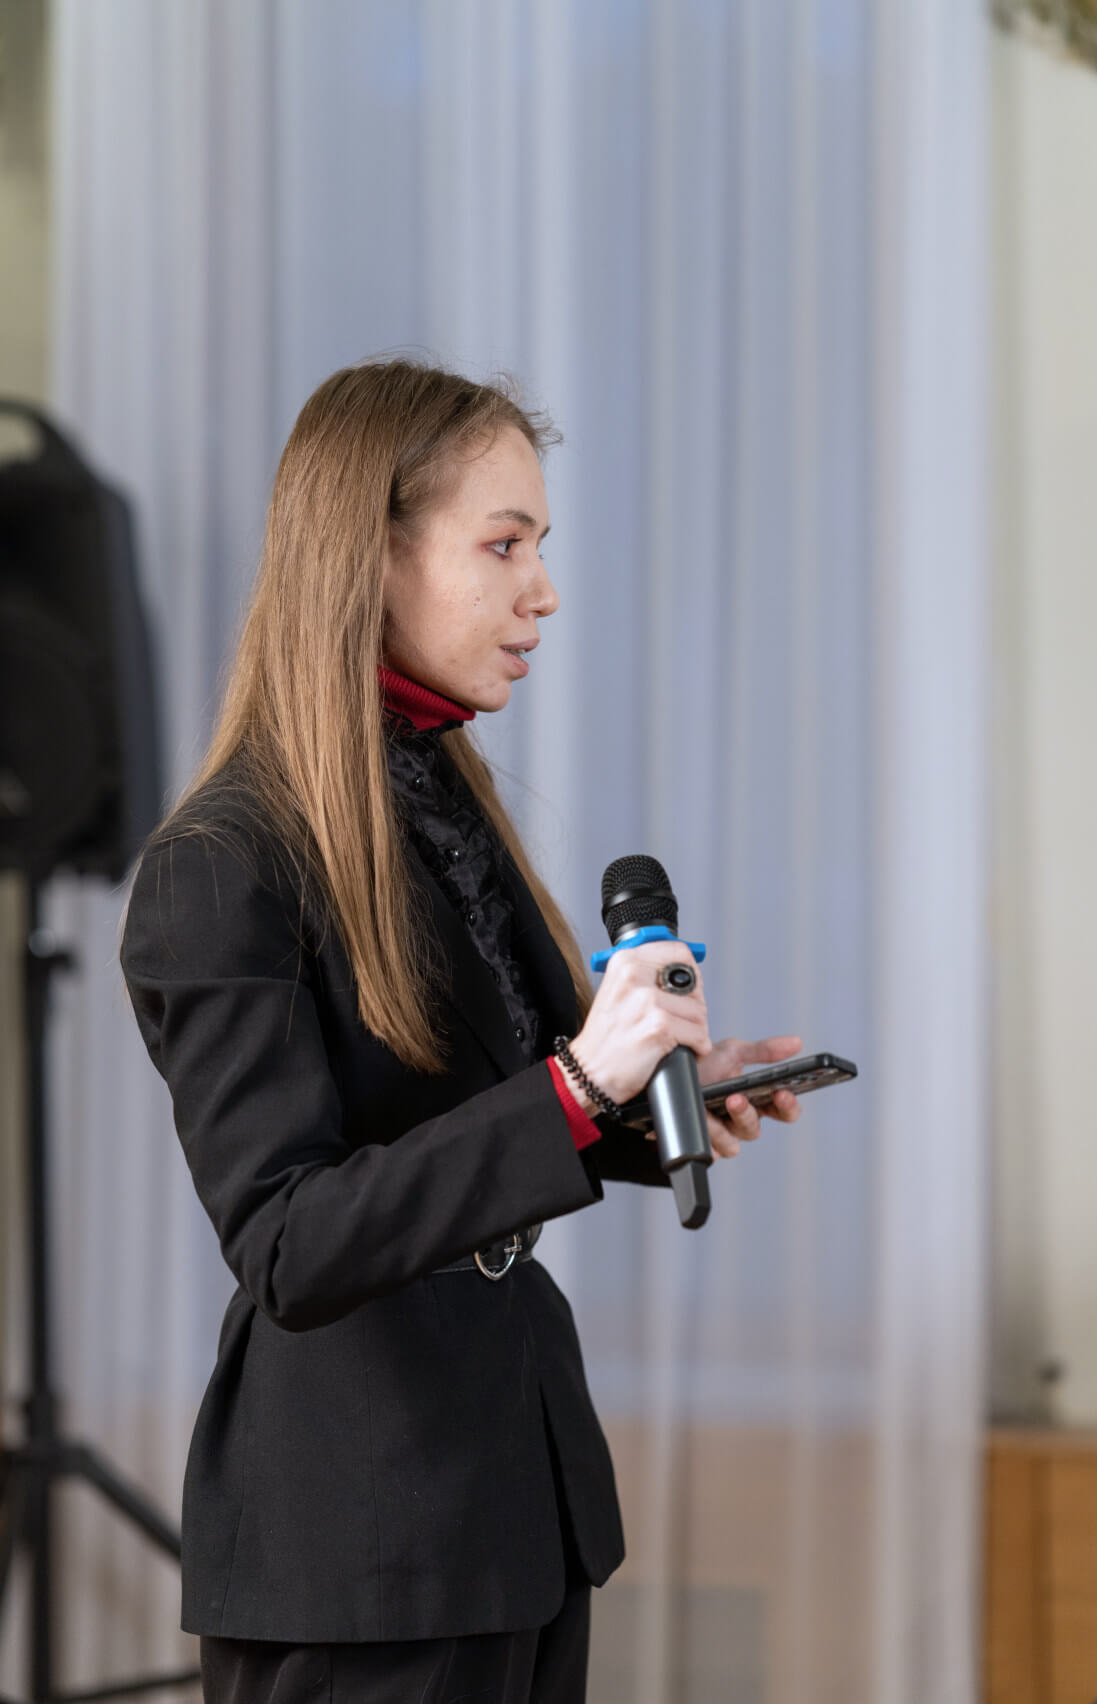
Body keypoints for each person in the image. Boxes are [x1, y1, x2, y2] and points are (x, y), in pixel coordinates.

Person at [119, 356, 803, 1704]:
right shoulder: (222, 865)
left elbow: (487, 1114)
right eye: (504, 544)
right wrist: (581, 1082)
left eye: (541, 546)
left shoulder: (436, 791)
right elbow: (291, 1243)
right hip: (360, 1541)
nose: (542, 590)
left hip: (512, 1500)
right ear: (367, 553)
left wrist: (662, 1093)